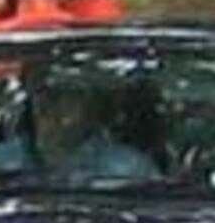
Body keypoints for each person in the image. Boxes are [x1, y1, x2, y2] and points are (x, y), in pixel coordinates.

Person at [27, 77, 161, 184]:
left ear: (90, 109)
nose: (54, 113)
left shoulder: (130, 168)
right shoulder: (9, 160)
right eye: (45, 100)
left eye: (68, 101)